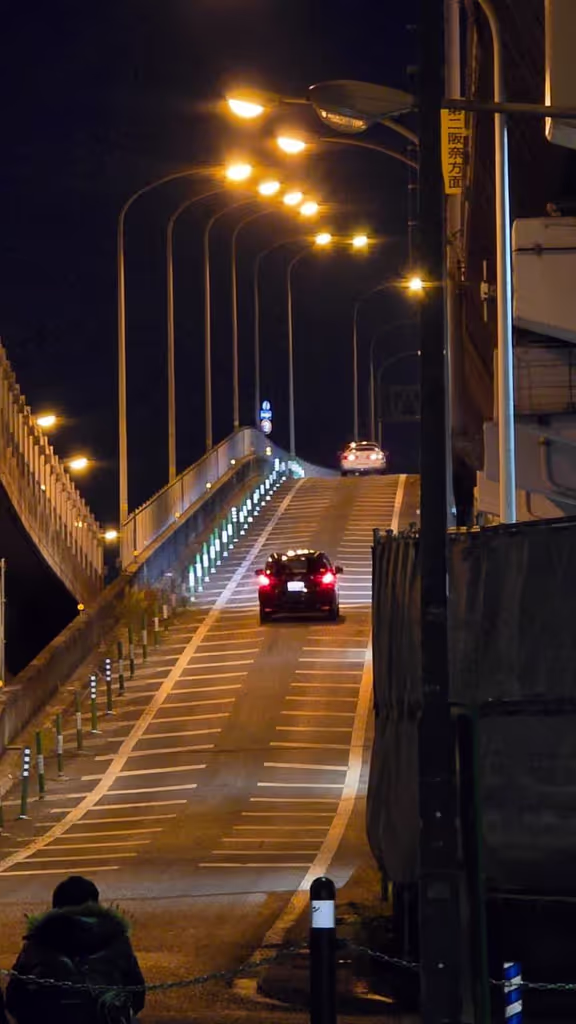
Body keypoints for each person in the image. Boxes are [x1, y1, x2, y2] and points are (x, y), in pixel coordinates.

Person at [6, 875, 145, 1024]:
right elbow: (137, 994)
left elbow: (15, 998)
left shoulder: (39, 941)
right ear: (95, 905)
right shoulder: (115, 937)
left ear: (56, 907)